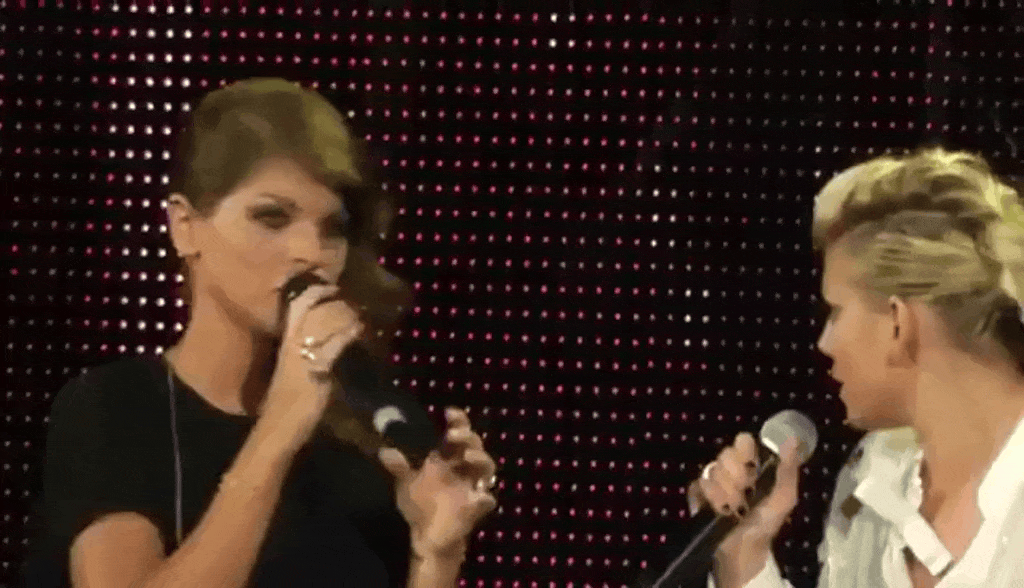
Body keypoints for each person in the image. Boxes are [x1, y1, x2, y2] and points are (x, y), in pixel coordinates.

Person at [22, 78, 498, 588]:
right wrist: (280, 424)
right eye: (271, 218)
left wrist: (435, 556)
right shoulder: (113, 408)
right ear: (185, 225)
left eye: (332, 228)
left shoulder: (365, 437)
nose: (310, 254)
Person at [687, 147, 1024, 588]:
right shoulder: (873, 477)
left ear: (899, 321)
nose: (824, 343)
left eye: (836, 311)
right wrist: (743, 556)